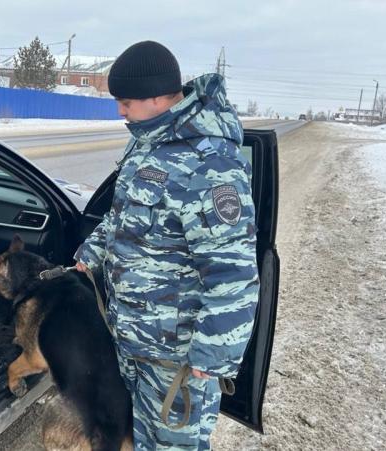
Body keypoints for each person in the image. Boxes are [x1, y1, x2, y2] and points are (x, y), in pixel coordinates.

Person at [74, 41, 259, 450]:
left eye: (126, 101)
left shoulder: (210, 165)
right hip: (134, 339)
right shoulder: (147, 143)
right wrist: (90, 256)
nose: (120, 111)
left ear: (159, 96)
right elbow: (123, 217)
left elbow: (234, 272)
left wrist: (211, 356)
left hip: (178, 357)